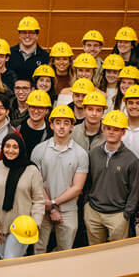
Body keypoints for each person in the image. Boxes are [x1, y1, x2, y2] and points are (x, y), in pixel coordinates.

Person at [30, 105, 89, 253]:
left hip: (68, 210)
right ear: (51, 125)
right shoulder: (39, 150)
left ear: (71, 127)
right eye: (58, 122)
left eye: (66, 123)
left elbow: (77, 187)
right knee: (39, 249)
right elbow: (36, 182)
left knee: (65, 251)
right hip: (42, 208)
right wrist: (49, 207)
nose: (61, 127)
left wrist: (54, 203)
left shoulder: (81, 154)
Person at [83, 110, 139, 246]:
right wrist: (87, 204)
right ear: (103, 129)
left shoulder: (131, 160)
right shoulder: (93, 154)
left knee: (117, 254)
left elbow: (135, 190)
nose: (111, 132)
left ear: (123, 132)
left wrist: (126, 214)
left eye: (116, 129)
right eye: (108, 128)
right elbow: (88, 182)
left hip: (118, 215)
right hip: (93, 212)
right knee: (94, 251)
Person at [0, 134, 46, 260]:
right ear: (2, 148)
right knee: (4, 259)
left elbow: (39, 201)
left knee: (10, 261)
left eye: (15, 147)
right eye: (7, 146)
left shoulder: (31, 170)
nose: (10, 150)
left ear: (21, 149)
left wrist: (34, 225)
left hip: (22, 227)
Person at [7, 16, 49, 81]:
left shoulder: (45, 57)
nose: (27, 36)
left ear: (37, 36)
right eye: (24, 32)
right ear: (19, 35)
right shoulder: (9, 53)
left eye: (31, 32)